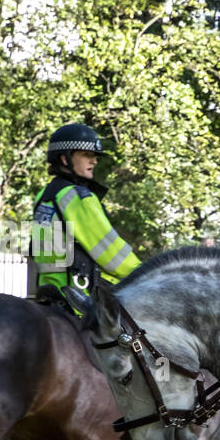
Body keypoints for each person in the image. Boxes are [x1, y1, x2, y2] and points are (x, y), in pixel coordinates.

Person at [29, 123, 140, 308]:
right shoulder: (76, 197)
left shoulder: (45, 195)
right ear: (65, 159)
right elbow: (111, 254)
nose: (94, 161)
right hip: (79, 302)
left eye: (95, 156)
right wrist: (146, 274)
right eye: (87, 155)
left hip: (49, 297)